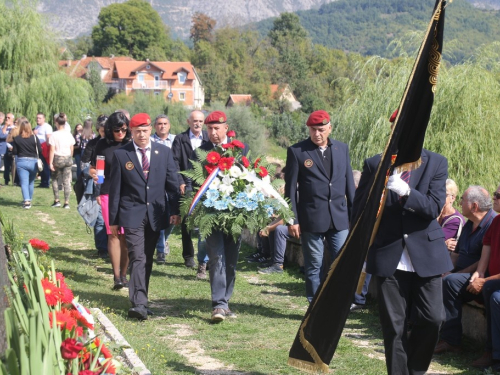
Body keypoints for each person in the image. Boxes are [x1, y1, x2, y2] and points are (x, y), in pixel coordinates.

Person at [353, 109, 452, 374]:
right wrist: (360, 250)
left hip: (426, 256)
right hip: (388, 255)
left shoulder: (436, 163)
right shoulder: (376, 164)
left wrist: (407, 192)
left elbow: (433, 208)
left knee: (433, 319)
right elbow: (359, 211)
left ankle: (415, 371)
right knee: (393, 327)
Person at [107, 113, 180, 320]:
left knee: (147, 258)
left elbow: (172, 183)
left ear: (151, 130)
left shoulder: (163, 153)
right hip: (132, 214)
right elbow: (116, 190)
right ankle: (138, 303)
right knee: (137, 256)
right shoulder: (122, 155)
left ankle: (142, 298)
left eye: (145, 130)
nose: (141, 134)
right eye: (137, 131)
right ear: (131, 132)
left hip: (156, 214)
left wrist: (175, 211)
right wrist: (113, 220)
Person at [284, 110, 355, 302]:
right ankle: (313, 304)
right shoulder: (298, 151)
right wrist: (292, 220)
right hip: (312, 219)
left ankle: (337, 303)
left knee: (341, 263)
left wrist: (354, 216)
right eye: (313, 130)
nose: (317, 134)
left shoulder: (342, 149)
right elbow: (290, 191)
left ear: (329, 128)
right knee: (314, 264)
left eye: (321, 130)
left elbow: (349, 184)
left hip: (339, 218)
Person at [191, 110, 248, 322]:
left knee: (232, 258)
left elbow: (248, 177)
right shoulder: (201, 152)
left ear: (226, 128)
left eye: (217, 128)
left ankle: (226, 300)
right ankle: (218, 304)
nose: (213, 132)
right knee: (216, 256)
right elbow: (194, 182)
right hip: (211, 212)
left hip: (235, 212)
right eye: (209, 129)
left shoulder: (240, 149)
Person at [435, 186, 497, 354]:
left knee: (450, 282)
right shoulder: (469, 224)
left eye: (463, 199)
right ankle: (422, 328)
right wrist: (446, 269)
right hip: (462, 275)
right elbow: (456, 255)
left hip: (479, 277)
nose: (460, 203)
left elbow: (483, 261)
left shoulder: (492, 222)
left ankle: (451, 341)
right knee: (436, 277)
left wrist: (455, 274)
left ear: (474, 206)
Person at [91, 112, 131, 290]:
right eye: (117, 129)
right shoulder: (102, 144)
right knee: (113, 233)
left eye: (124, 129)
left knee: (127, 235)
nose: (121, 132)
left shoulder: (131, 144)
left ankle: (124, 273)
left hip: (129, 194)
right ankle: (117, 277)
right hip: (108, 192)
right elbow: (98, 171)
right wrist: (98, 191)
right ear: (110, 129)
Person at [465, 186, 500, 369]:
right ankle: (449, 339)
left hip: (494, 283)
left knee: (494, 296)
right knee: (448, 282)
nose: (494, 198)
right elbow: (486, 247)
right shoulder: (497, 222)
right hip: (492, 281)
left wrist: (484, 280)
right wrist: (478, 273)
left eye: (498, 196)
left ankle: (494, 354)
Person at [171, 110, 210, 271]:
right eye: (195, 121)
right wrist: (180, 181)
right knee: (187, 221)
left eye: (201, 121)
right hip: (186, 184)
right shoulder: (180, 139)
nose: (198, 124)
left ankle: (206, 258)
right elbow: (174, 163)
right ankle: (188, 256)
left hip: (206, 185)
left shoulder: (208, 138)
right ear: (188, 122)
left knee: (206, 221)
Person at [150, 114, 176, 265]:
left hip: (171, 182)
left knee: (172, 218)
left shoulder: (175, 140)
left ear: (169, 125)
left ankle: (163, 240)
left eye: (165, 123)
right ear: (155, 126)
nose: (162, 126)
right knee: (159, 216)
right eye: (159, 124)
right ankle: (160, 251)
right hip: (156, 183)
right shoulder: (150, 141)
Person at [81, 115, 107, 258]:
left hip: (111, 184)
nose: (105, 133)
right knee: (100, 218)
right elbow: (84, 164)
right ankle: (102, 248)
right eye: (102, 130)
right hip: (96, 183)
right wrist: (93, 173)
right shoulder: (93, 144)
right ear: (98, 130)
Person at [12, 118, 42, 209]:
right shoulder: (35, 138)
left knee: (24, 182)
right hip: (33, 162)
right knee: (31, 182)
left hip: (22, 161)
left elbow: (15, 152)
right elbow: (40, 150)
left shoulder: (17, 139)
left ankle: (27, 201)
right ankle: (29, 199)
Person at [48, 113, 75, 209]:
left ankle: (57, 200)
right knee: (66, 181)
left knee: (55, 179)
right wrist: (70, 157)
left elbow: (52, 149)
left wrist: (50, 162)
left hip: (58, 158)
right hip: (67, 158)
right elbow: (72, 148)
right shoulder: (69, 134)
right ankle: (66, 202)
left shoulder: (54, 135)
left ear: (56, 123)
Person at [438, 179, 465, 259]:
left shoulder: (455, 220)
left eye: (444, 194)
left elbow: (433, 241)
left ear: (452, 198)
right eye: (437, 193)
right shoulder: (433, 213)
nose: (439, 197)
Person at [33, 113, 53, 188]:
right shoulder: (37, 127)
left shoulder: (47, 127)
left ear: (44, 119)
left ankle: (46, 183)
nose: (38, 119)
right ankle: (43, 181)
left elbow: (49, 137)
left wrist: (47, 149)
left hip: (44, 147)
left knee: (45, 166)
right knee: (41, 165)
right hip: (38, 147)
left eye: (40, 118)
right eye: (37, 118)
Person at [2, 113, 16, 185]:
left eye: (9, 118)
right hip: (5, 149)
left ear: (12, 119)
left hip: (14, 148)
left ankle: (14, 181)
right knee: (6, 166)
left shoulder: (15, 128)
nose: (7, 119)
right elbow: (2, 135)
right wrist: (6, 126)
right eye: (6, 117)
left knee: (14, 166)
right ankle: (6, 181)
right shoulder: (3, 127)